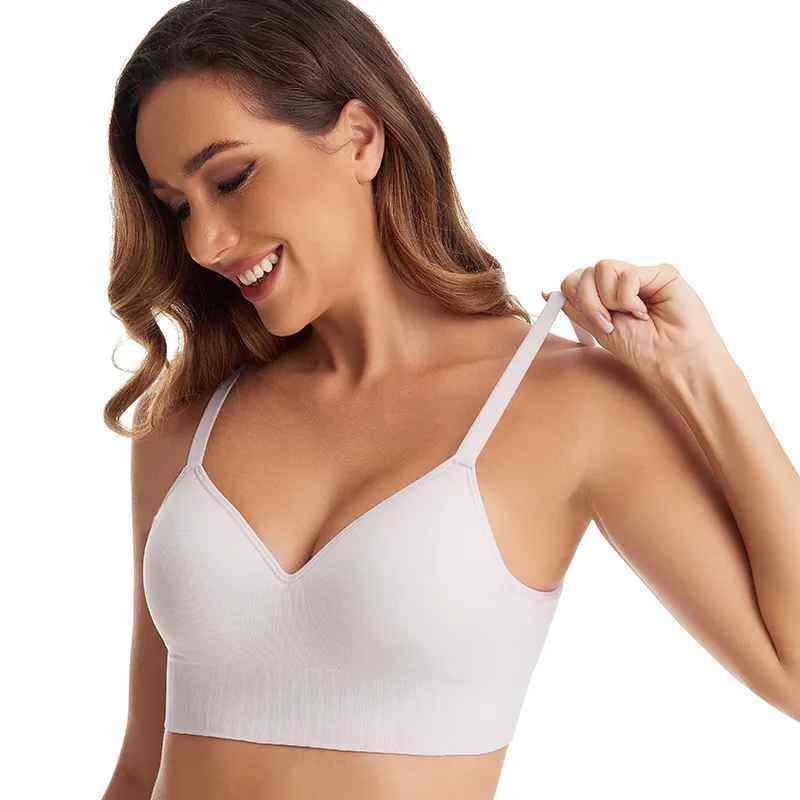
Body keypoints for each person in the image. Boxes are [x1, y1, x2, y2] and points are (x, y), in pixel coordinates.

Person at [101, 2, 800, 799]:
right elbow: (139, 766)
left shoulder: (568, 405)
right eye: (178, 206)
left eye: (230, 179)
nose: (203, 242)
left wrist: (700, 372)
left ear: (360, 139)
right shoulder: (188, 418)